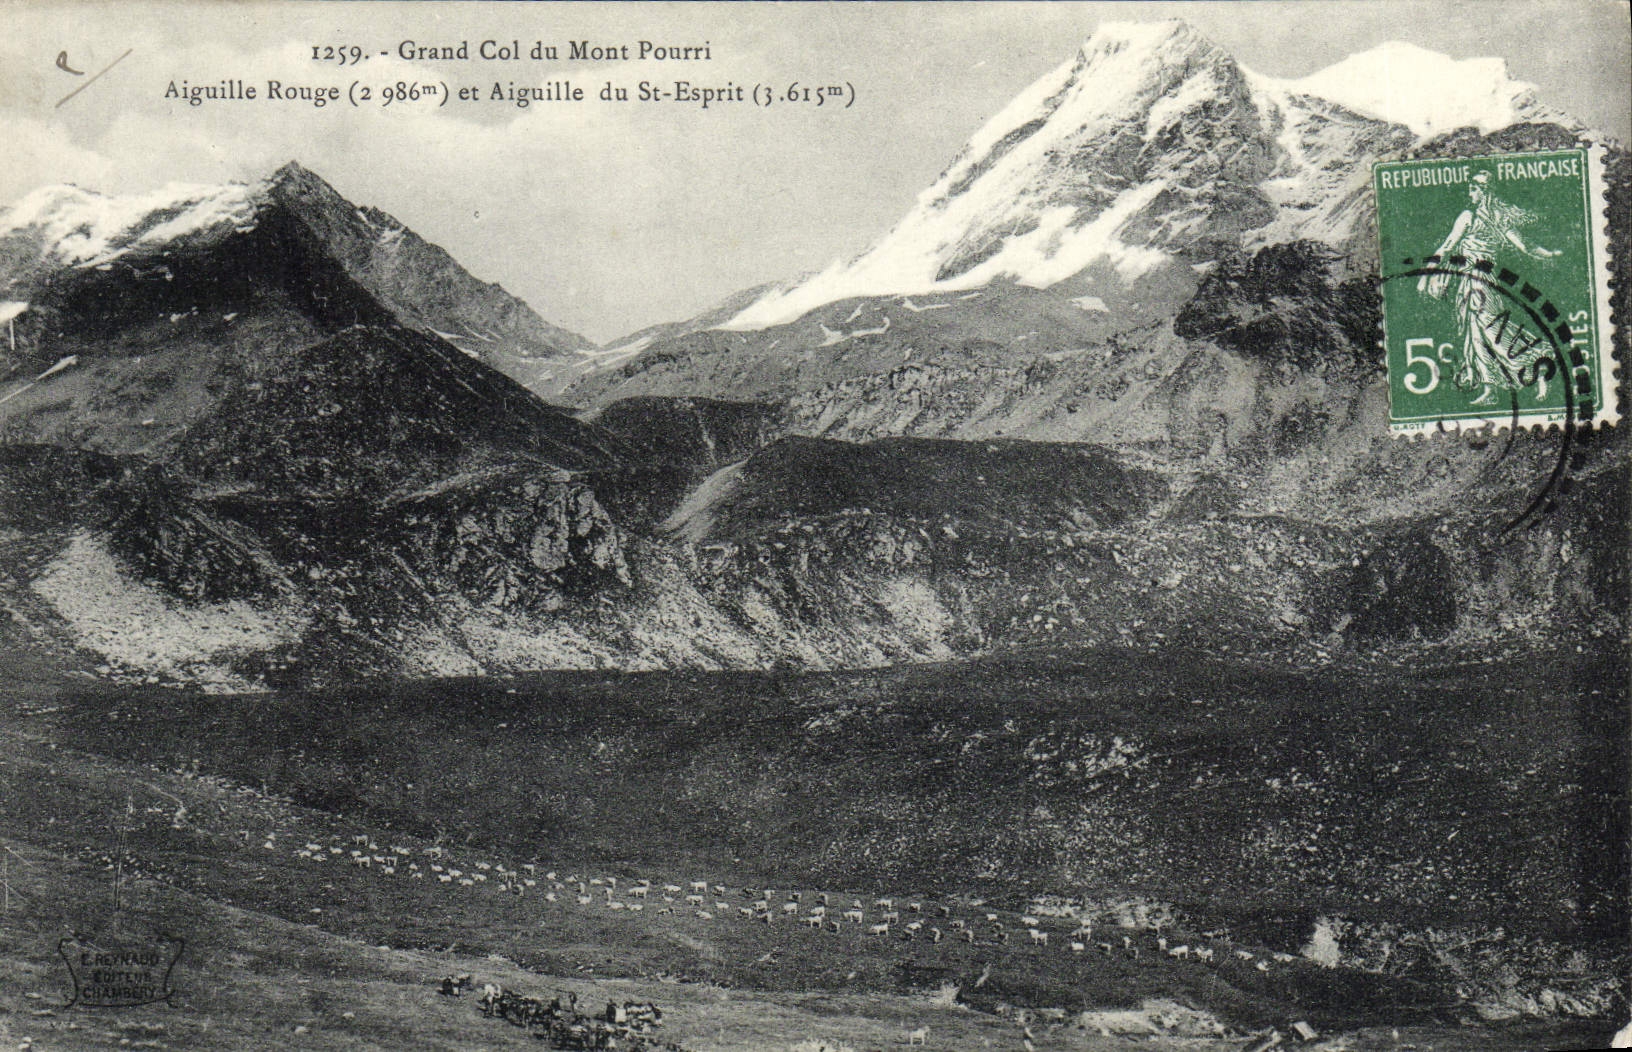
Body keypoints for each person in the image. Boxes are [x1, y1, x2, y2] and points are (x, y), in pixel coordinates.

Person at [1416, 171, 1560, 405]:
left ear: (1483, 192)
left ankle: (1536, 363)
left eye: (1473, 189)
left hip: (1475, 283)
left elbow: (1447, 246)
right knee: (1482, 332)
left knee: (1487, 331)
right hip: (1485, 281)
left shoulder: (1468, 216)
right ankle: (1492, 387)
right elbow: (1527, 247)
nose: (1469, 194)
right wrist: (1550, 254)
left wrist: (1427, 271)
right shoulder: (1499, 219)